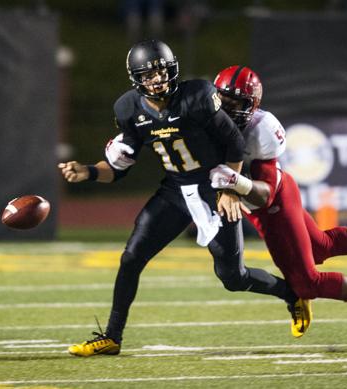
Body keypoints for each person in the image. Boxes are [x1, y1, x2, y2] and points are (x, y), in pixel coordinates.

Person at [58, 40, 301, 357]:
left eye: (161, 71)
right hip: (175, 190)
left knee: (232, 277)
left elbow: (234, 145)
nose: (157, 80)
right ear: (137, 80)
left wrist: (230, 189)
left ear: (172, 70)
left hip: (213, 185)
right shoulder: (129, 109)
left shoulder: (198, 96)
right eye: (148, 75)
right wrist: (89, 171)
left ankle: (291, 293)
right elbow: (119, 168)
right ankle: (111, 336)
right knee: (132, 257)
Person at [209, 65, 347, 343]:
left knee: (307, 283)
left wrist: (234, 182)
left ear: (252, 104)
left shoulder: (261, 129)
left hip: (274, 203)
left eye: (237, 104)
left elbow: (266, 194)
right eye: (225, 101)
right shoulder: (204, 119)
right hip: (267, 202)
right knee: (321, 246)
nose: (229, 110)